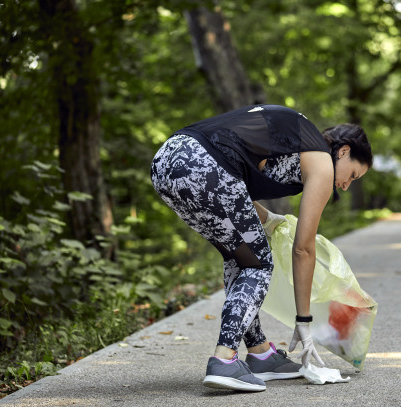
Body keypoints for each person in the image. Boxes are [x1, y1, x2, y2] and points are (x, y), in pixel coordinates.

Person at [151, 104, 372, 392]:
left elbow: (235, 174)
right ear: (343, 151)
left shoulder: (296, 140)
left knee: (238, 258)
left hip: (168, 161)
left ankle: (260, 353)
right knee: (258, 264)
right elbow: (303, 249)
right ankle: (224, 360)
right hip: (204, 164)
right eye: (353, 175)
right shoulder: (320, 158)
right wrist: (304, 323)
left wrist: (269, 219)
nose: (345, 186)